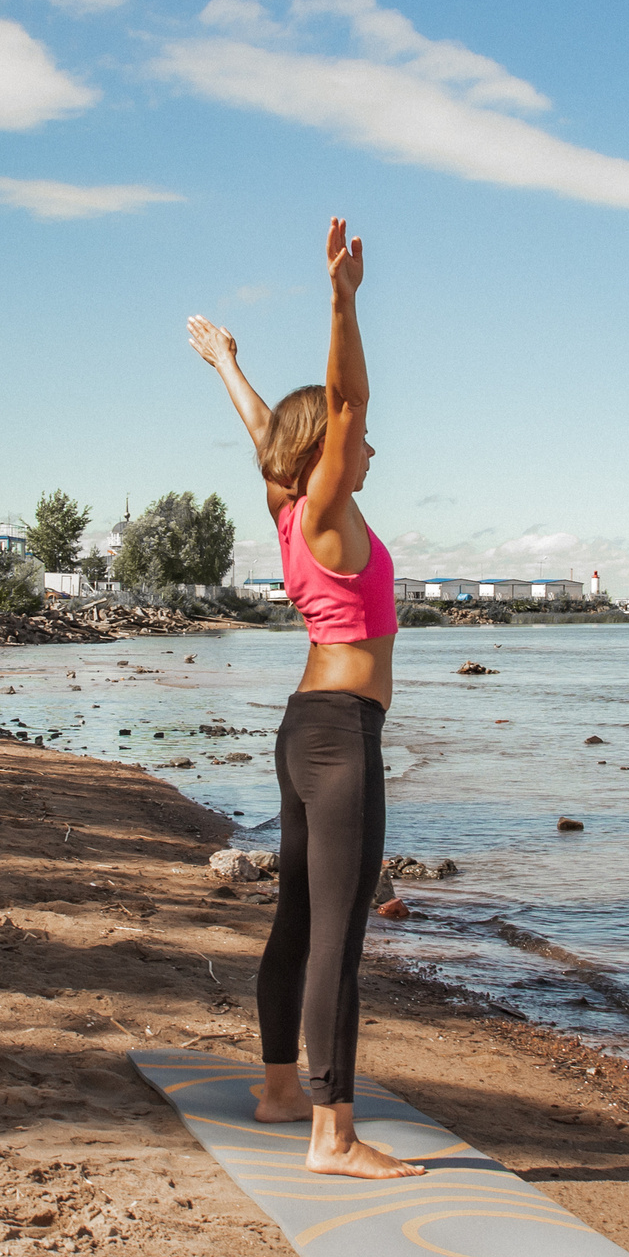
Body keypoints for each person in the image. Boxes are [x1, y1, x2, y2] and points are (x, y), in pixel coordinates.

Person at [186, 217, 424, 1181]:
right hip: (339, 737)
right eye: (356, 441)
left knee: (296, 921)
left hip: (303, 731)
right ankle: (333, 1133)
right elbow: (348, 397)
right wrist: (342, 300)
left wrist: (227, 366)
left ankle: (282, 1089)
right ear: (327, 446)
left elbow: (265, 431)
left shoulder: (291, 505)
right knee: (338, 933)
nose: (372, 447)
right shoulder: (323, 505)